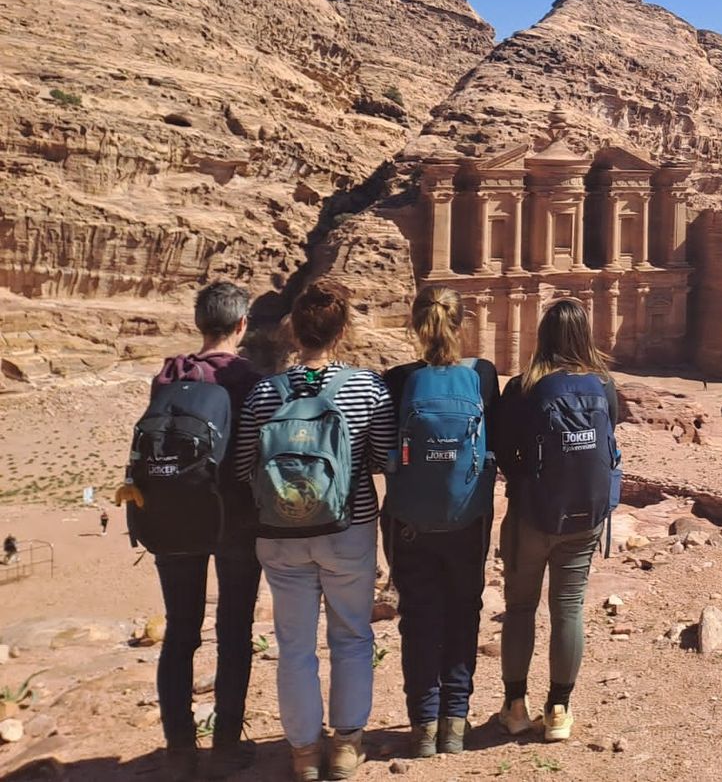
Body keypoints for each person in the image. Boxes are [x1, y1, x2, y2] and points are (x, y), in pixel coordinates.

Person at [232, 280, 395, 782]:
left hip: (279, 535)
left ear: (294, 331)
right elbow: (383, 458)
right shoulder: (368, 388)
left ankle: (304, 753)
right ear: (343, 331)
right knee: (352, 636)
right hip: (349, 527)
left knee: (295, 646)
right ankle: (346, 746)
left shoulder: (264, 392)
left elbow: (243, 465)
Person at [144, 284, 266, 780]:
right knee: (234, 632)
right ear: (242, 325)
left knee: (180, 631)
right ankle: (226, 746)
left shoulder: (169, 376)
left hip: (172, 516)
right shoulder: (250, 380)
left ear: (199, 323)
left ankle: (179, 750)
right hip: (236, 521)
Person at [381, 286, 500, 759]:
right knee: (464, 613)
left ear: (416, 324)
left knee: (418, 618)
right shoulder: (483, 376)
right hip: (467, 518)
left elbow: (383, 452)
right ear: (461, 322)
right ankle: (455, 723)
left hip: (410, 522)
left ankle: (423, 726)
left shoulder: (398, 380)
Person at [496, 298, 619, 744]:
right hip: (584, 518)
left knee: (520, 609)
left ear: (543, 336)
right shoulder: (603, 385)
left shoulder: (523, 387)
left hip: (531, 515)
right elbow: (610, 440)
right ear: (585, 335)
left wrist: (525, 481)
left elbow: (503, 448)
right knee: (568, 608)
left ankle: (515, 707)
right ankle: (559, 710)